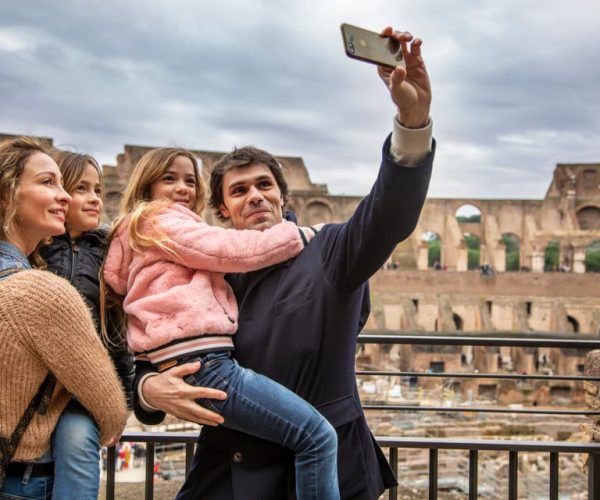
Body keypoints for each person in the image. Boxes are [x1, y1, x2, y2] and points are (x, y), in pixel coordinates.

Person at [134, 27, 435, 499]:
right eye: (239, 191)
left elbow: (390, 212)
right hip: (228, 469)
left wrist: (412, 121)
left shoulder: (329, 249)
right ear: (223, 211)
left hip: (318, 471)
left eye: (263, 185)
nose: (254, 196)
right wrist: (148, 390)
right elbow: (149, 341)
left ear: (282, 194)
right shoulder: (202, 269)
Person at [102, 147, 340, 499]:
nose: (182, 188)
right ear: (146, 188)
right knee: (317, 437)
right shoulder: (161, 221)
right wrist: (302, 235)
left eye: (189, 180)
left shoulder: (140, 235)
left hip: (184, 360)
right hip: (205, 361)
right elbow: (229, 249)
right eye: (169, 179)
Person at [0, 137, 127, 499]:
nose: (67, 197)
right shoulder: (42, 291)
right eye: (48, 182)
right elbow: (111, 409)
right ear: (7, 194)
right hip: (22, 476)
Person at [38, 150, 134, 500]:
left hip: (83, 389)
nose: (94, 198)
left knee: (78, 444)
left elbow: (117, 334)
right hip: (33, 385)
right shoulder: (35, 248)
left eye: (98, 189)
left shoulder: (109, 252)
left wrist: (122, 402)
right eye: (82, 188)